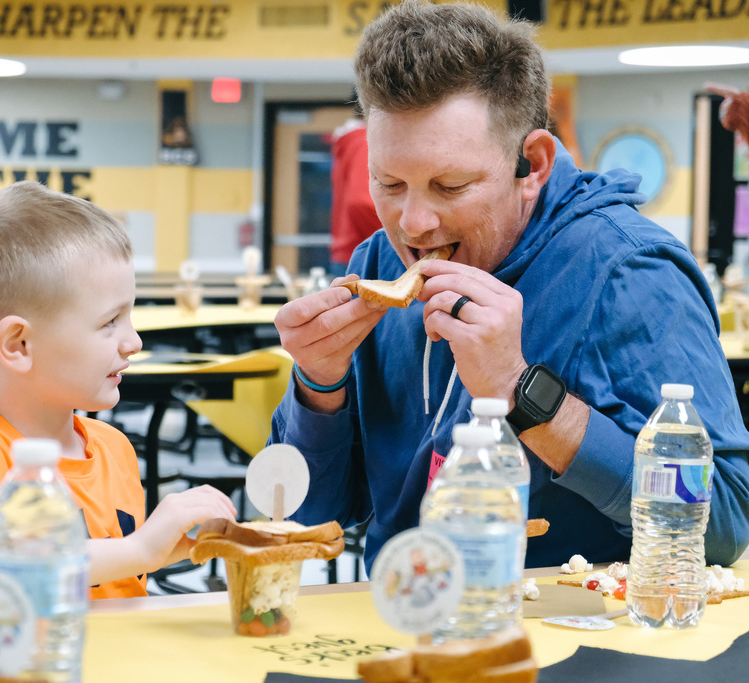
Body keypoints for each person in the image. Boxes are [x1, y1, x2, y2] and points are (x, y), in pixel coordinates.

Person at [270, 0, 749, 572]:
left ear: (534, 164)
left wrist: (524, 392)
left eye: (450, 185)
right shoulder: (378, 260)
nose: (414, 223)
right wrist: (319, 387)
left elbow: (722, 523)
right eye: (390, 183)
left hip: (577, 644)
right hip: (400, 625)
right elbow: (305, 516)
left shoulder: (631, 271)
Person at [0, 181, 236, 611]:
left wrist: (163, 547)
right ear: (19, 344)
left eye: (130, 316)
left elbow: (106, 584)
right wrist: (138, 550)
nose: (133, 341)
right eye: (110, 322)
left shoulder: (114, 448)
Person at [329, 116, 383, 276]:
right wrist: (393, 239)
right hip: (364, 254)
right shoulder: (364, 142)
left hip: (350, 252)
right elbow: (361, 201)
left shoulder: (351, 142)